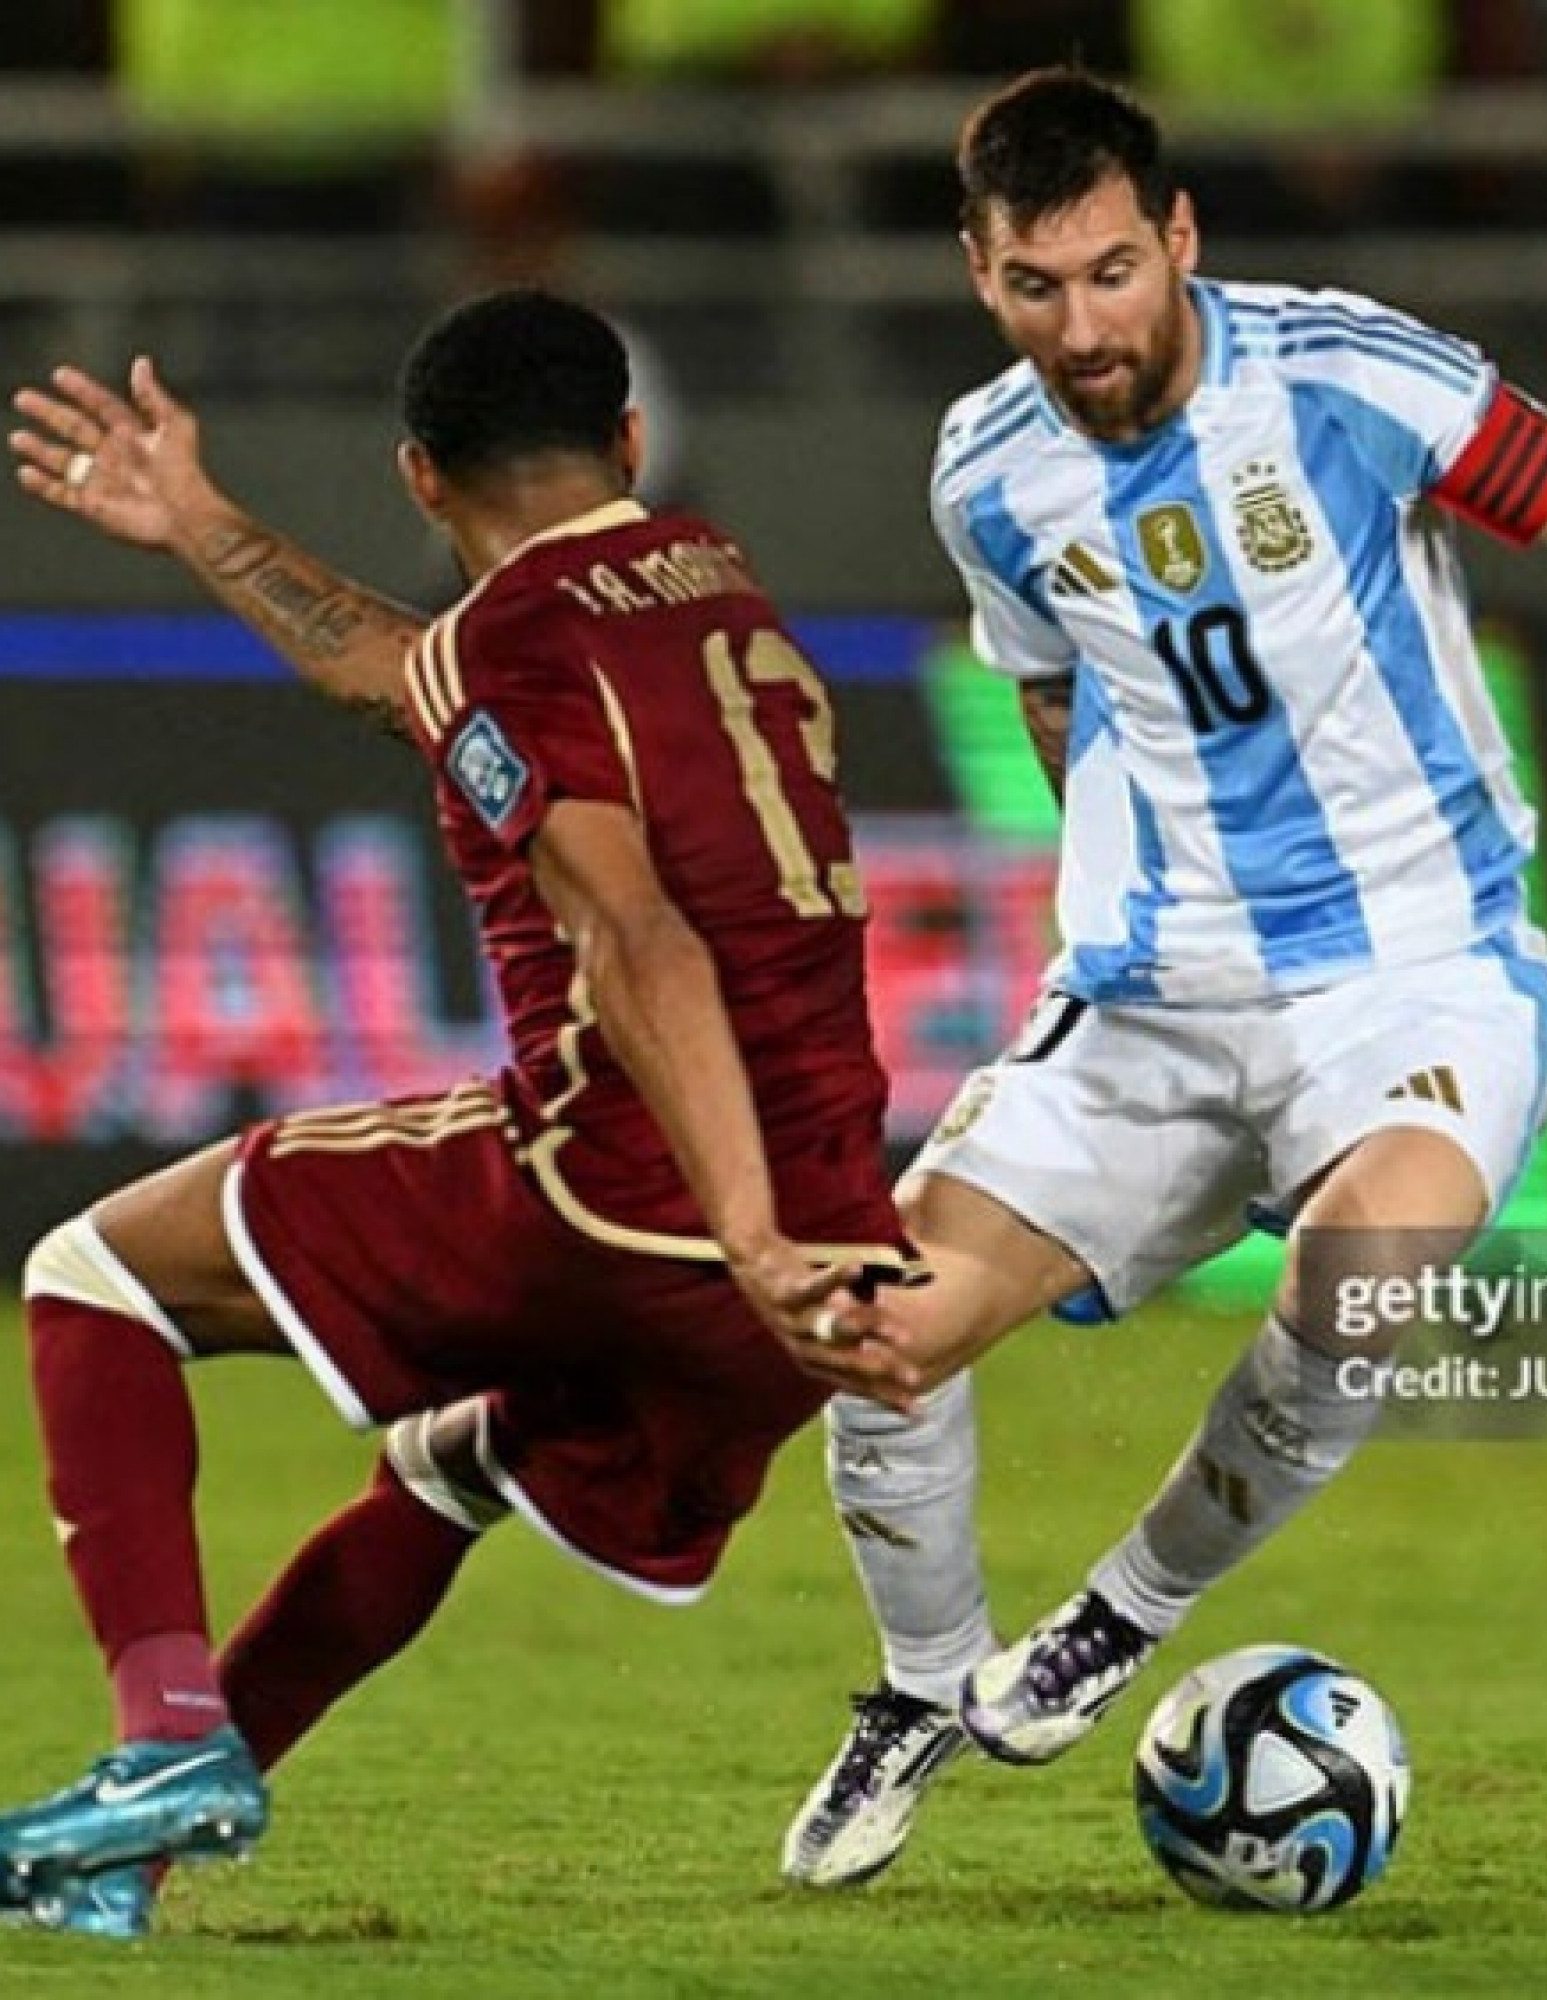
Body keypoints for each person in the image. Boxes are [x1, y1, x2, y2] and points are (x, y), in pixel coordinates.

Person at [770, 68, 1547, 1891]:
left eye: (1114, 273)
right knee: (875, 1328)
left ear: (1179, 238)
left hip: (1419, 972)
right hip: (1158, 989)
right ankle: (915, 1689)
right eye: (1037, 287)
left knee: (1366, 1274)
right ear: (978, 273)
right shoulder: (988, 472)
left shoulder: (1347, 376)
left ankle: (1119, 1617)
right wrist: (1120, 871)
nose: (1084, 325)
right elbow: (1047, 682)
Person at [2, 288, 914, 1938]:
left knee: (92, 1277)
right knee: (445, 1465)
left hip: (642, 1202)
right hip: (826, 1253)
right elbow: (406, 676)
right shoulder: (708, 577)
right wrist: (205, 527)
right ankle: (130, 1857)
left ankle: (161, 1744)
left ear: (421, 478)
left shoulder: (516, 642)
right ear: (628, 441)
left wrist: (741, 1226)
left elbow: (637, 940)